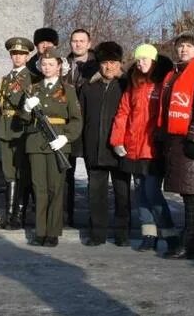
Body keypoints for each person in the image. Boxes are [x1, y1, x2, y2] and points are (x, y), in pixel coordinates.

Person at [110, 44, 177, 252]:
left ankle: (169, 234)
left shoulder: (163, 84)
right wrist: (117, 140)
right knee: (140, 193)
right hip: (133, 147)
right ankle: (149, 235)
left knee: (152, 192)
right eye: (138, 60)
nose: (141, 63)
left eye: (145, 60)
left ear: (153, 61)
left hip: (153, 148)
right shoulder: (134, 84)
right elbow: (123, 113)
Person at [157, 32, 194, 259]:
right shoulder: (174, 74)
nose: (183, 50)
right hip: (176, 141)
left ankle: (190, 241)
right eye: (181, 46)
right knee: (187, 193)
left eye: (189, 47)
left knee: (193, 195)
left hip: (193, 143)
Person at [21, 48, 83, 247]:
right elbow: (23, 120)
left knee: (55, 189)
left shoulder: (68, 90)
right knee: (39, 188)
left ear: (59, 67)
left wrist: (66, 138)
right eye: (44, 64)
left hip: (58, 144)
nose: (47, 67)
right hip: (36, 143)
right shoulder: (33, 88)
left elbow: (76, 119)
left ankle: (53, 231)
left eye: (51, 64)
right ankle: (40, 231)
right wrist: (26, 108)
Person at [79, 41, 130, 246]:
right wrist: (81, 148)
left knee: (122, 194)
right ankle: (97, 234)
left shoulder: (127, 86)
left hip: (121, 150)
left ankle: (122, 234)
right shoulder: (88, 87)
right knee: (96, 195)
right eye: (105, 63)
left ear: (120, 63)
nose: (109, 67)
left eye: (113, 62)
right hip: (95, 149)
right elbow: (81, 118)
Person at [0, 37, 35, 230]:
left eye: (21, 54)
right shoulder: (6, 78)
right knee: (8, 174)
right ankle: (8, 214)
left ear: (27, 56)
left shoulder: (32, 78)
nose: (17, 57)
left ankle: (19, 215)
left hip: (21, 129)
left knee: (21, 173)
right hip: (6, 128)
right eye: (14, 54)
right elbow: (2, 106)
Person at [63, 28, 99, 227]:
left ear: (89, 43)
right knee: (66, 172)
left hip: (91, 126)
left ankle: (95, 219)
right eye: (74, 41)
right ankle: (66, 217)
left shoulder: (99, 66)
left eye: (81, 41)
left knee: (94, 175)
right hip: (69, 125)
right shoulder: (64, 65)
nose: (77, 44)